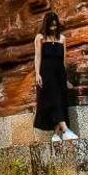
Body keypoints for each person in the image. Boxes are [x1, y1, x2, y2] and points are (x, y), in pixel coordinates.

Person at [32, 9, 76, 142]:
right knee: (53, 100)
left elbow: (64, 60)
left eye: (55, 25)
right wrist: (38, 74)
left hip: (59, 74)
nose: (53, 27)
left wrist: (66, 78)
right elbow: (37, 57)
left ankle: (56, 134)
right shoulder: (40, 38)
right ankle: (66, 130)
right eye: (51, 25)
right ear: (46, 25)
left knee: (60, 101)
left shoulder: (62, 38)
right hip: (46, 73)